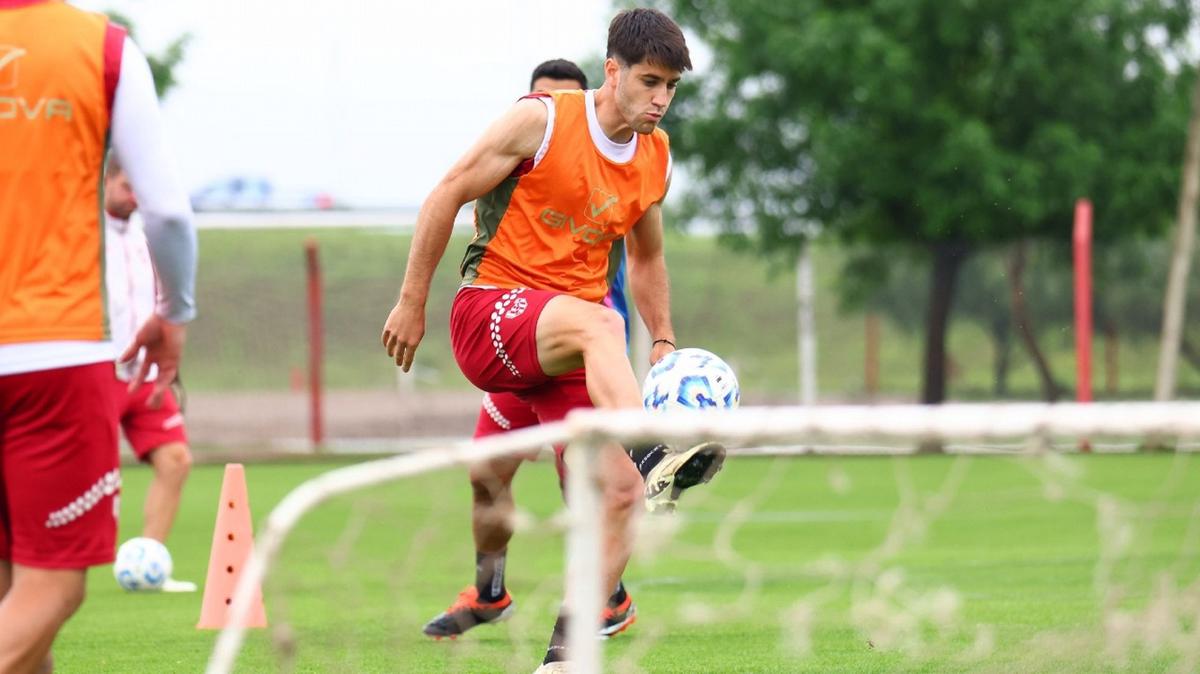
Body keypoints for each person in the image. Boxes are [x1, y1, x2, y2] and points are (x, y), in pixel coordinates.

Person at [382, 9, 709, 669]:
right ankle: (654, 455)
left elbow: (646, 260)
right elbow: (445, 193)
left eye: (671, 87)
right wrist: (411, 301)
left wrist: (666, 340)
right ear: (612, 70)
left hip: (561, 348)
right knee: (601, 324)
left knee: (607, 494)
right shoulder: (543, 119)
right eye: (650, 81)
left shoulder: (654, 157)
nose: (661, 100)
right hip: (489, 313)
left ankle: (562, 654)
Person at [0, 2, 197, 671]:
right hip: (51, 351)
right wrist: (177, 312)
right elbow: (168, 208)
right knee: (49, 588)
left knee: (13, 595)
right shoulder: (101, 47)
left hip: (68, 356)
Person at [104, 159, 197, 593]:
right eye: (125, 185)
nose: (134, 195)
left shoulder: (149, 234)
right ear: (104, 183)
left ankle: (148, 566)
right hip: (95, 368)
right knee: (91, 476)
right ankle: (55, 570)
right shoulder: (83, 234)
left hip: (144, 371)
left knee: (176, 460)